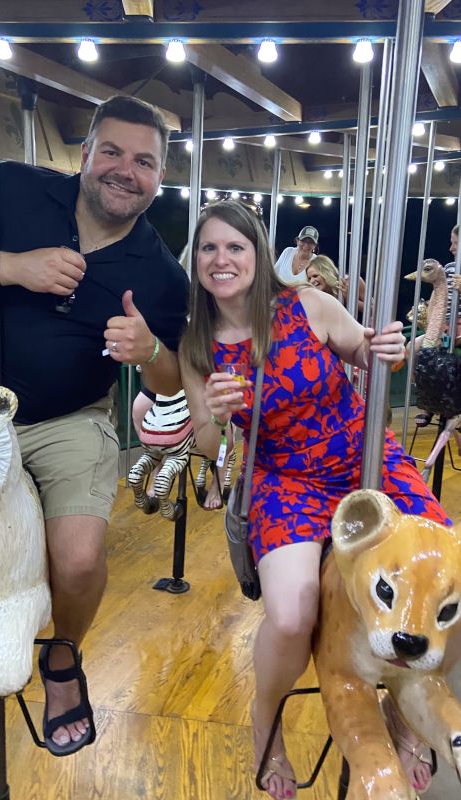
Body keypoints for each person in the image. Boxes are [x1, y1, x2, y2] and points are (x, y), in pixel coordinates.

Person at [0, 95, 189, 767]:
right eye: (114, 152)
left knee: (77, 558)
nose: (126, 170)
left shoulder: (159, 271)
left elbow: (171, 381)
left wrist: (149, 350)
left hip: (69, 420)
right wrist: (5, 266)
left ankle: (63, 658)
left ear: (160, 177)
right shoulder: (12, 187)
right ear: (87, 152)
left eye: (145, 161)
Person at [179, 199, 450, 800]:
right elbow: (205, 442)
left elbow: (362, 350)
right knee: (292, 613)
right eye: (209, 248)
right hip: (283, 478)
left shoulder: (305, 303)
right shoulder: (197, 346)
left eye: (235, 247)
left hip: (361, 456)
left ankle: (403, 714)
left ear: (256, 254)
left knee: (430, 566)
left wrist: (386, 348)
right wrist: (217, 417)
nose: (221, 260)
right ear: (195, 260)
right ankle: (266, 722)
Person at [414, 223, 461, 428]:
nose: (451, 248)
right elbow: (438, 294)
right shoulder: (450, 268)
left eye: (456, 243)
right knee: (412, 348)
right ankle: (428, 400)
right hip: (444, 325)